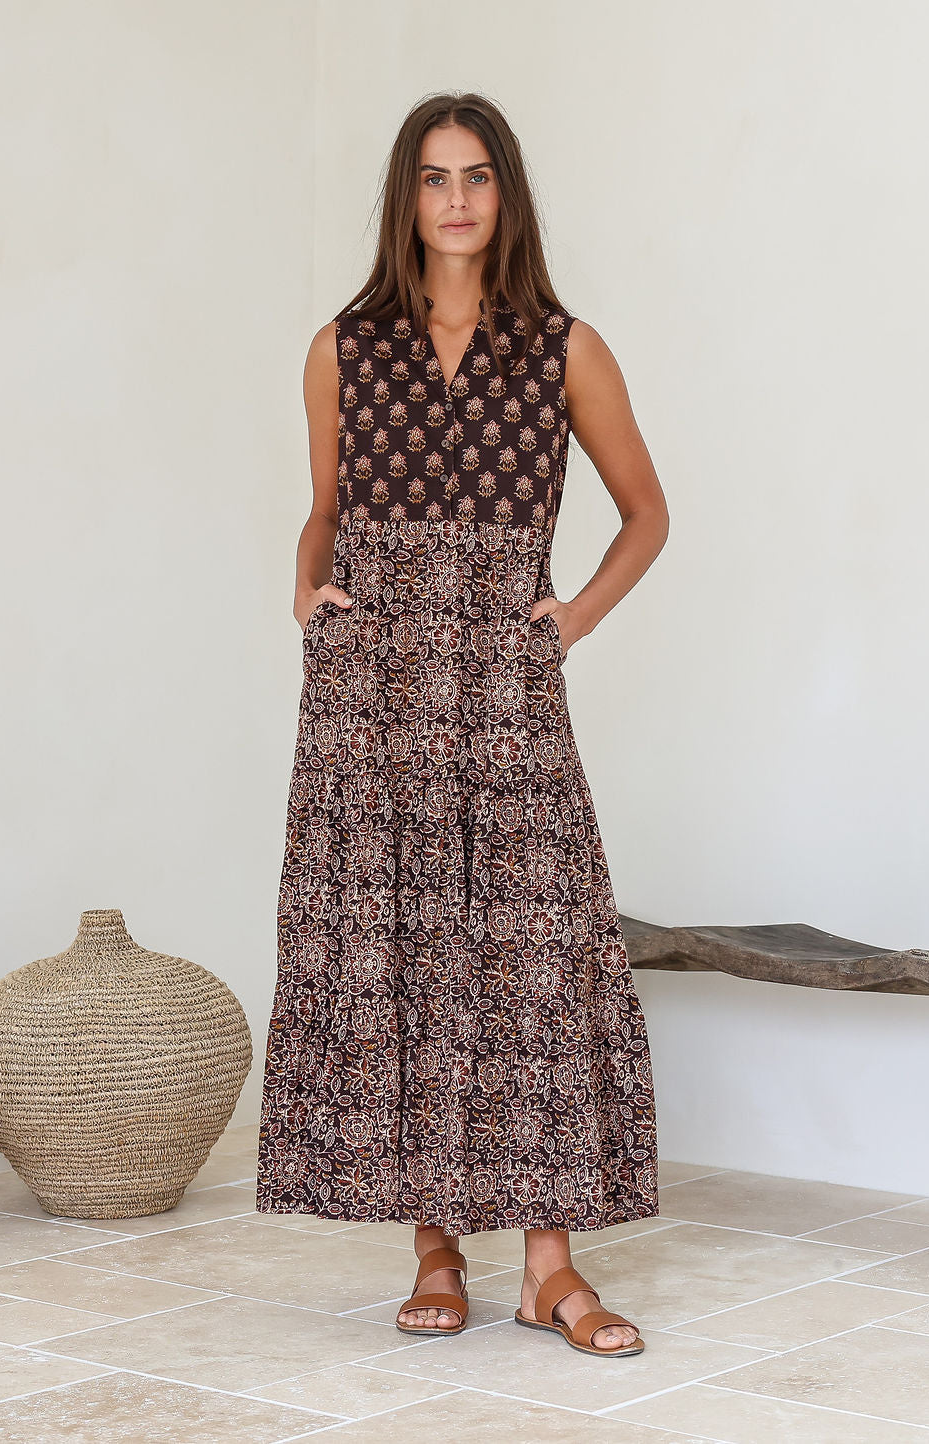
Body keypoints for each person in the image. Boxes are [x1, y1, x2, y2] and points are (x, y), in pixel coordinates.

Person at [256, 91, 669, 1358]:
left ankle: (549, 1267)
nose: (454, 200)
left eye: (476, 176)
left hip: (501, 680)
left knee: (531, 956)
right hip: (369, 687)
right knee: (408, 949)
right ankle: (435, 1246)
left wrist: (570, 619)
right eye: (432, 178)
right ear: (405, 198)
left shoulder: (563, 346)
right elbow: (322, 508)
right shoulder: (342, 345)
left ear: (505, 195)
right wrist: (307, 595)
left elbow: (646, 513)